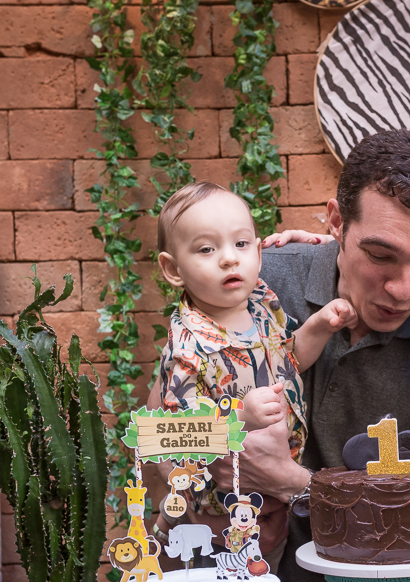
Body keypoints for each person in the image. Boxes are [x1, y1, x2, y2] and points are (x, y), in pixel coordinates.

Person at [156, 129, 410, 582]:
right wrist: (223, 451)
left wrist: (294, 480)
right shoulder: (256, 280)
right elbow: (159, 435)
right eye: (380, 255)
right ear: (335, 221)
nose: (403, 288)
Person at [152, 181, 356, 520]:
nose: (229, 258)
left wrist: (319, 325)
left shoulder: (262, 306)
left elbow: (291, 359)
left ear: (259, 254)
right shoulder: (187, 349)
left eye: (241, 243)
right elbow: (178, 434)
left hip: (277, 490)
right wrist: (238, 416)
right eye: (206, 250)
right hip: (223, 505)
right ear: (174, 270)